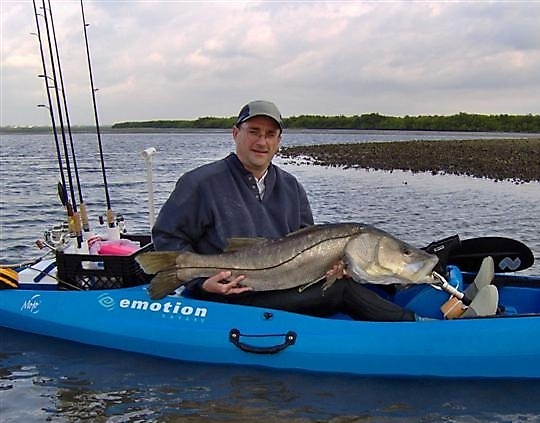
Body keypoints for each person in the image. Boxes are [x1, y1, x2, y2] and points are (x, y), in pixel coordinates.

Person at [151, 99, 420, 321]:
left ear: (279, 141)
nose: (262, 142)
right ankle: (417, 329)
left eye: (270, 135)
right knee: (344, 292)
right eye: (253, 131)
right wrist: (200, 283)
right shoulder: (200, 182)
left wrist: (332, 267)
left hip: (281, 286)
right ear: (236, 133)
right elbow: (167, 238)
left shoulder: (292, 187)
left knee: (346, 281)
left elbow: (307, 241)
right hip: (227, 294)